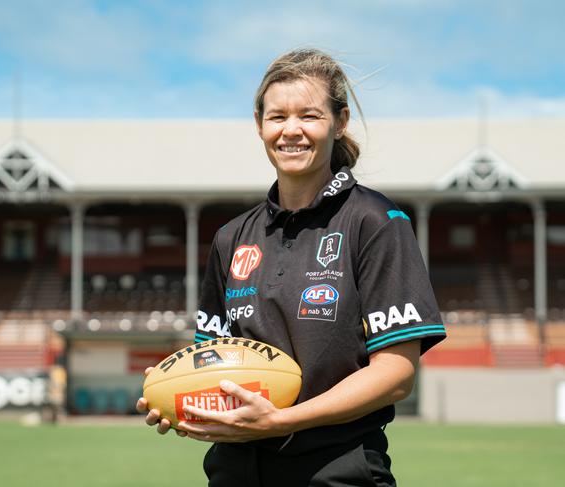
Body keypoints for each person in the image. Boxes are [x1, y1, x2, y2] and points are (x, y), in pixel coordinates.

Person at [137, 48, 446, 487]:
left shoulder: (375, 222)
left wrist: (284, 421)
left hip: (338, 471)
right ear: (259, 124)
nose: (291, 131)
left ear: (339, 123)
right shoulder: (231, 238)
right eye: (277, 117)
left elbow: (396, 374)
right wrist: (176, 393)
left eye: (309, 115)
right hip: (234, 472)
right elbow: (218, 364)